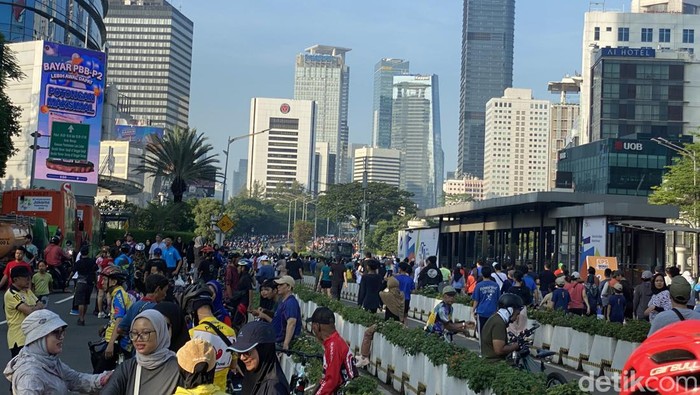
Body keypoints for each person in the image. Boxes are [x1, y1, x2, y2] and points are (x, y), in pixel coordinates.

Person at [3, 310, 112, 393]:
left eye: (63, 332)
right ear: (39, 337)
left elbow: (75, 379)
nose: (62, 337)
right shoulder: (30, 375)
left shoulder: (48, 361)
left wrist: (103, 379)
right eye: (56, 333)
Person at [101, 310, 181, 395]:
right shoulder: (127, 368)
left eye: (146, 332)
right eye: (134, 333)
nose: (138, 339)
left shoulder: (179, 368)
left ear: (160, 332)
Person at [180, 284, 237, 391]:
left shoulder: (192, 334)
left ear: (193, 310)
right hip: (221, 391)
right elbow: (233, 366)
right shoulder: (231, 332)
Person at [308, 307, 358, 395]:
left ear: (317, 326)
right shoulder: (334, 341)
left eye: (313, 325)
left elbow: (331, 381)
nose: (313, 329)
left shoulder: (333, 346)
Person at [232, 321, 290, 394]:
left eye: (247, 352)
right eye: (239, 352)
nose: (242, 357)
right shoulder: (254, 372)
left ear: (263, 350)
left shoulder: (273, 388)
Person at [99, 264, 133, 373]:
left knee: (99, 374)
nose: (102, 283)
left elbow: (119, 320)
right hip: (116, 339)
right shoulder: (117, 294)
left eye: (105, 280)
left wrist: (110, 345)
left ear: (113, 282)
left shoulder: (118, 296)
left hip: (118, 342)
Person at [4, 266, 43, 357]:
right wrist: (35, 307)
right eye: (25, 277)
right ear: (16, 279)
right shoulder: (12, 294)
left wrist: (34, 307)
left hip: (32, 336)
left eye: (29, 277)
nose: (28, 279)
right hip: (19, 338)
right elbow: (29, 310)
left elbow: (41, 305)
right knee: (21, 368)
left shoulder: (27, 291)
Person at [480, 293, 524, 361]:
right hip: (494, 362)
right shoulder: (499, 323)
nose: (517, 318)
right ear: (510, 310)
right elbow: (499, 350)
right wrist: (517, 345)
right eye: (517, 314)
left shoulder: (495, 318)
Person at [271, 275, 302, 350]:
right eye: (278, 285)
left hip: (280, 343)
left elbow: (291, 323)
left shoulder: (291, 303)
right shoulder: (283, 301)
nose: (278, 287)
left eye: (281, 285)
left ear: (289, 287)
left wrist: (285, 344)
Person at [472, 265, 500, 336]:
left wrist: (473, 310)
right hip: (493, 312)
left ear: (482, 274)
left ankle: (482, 345)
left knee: (481, 331)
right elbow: (498, 300)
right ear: (490, 274)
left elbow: (476, 300)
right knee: (490, 332)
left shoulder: (478, 285)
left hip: (481, 312)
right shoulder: (496, 286)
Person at [72, 245, 97, 326]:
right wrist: (96, 282)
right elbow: (96, 272)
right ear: (88, 253)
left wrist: (68, 280)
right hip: (90, 283)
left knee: (80, 302)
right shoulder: (92, 261)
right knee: (86, 301)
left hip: (81, 282)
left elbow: (73, 272)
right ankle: (83, 317)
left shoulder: (78, 263)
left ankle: (81, 318)